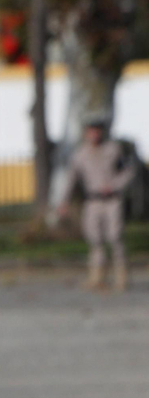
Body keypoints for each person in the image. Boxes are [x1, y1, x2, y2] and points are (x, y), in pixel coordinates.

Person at [61, 116, 135, 292]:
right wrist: (64, 201)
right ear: (86, 133)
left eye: (97, 130)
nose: (94, 134)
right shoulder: (80, 154)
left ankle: (121, 278)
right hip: (92, 201)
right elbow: (72, 179)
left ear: (102, 132)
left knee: (115, 237)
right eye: (91, 131)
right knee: (94, 239)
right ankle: (97, 277)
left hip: (112, 201)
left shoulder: (113, 150)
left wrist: (115, 185)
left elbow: (128, 171)